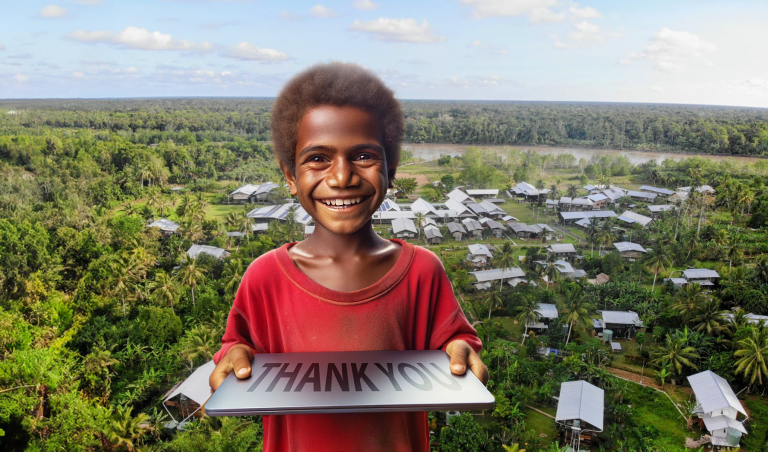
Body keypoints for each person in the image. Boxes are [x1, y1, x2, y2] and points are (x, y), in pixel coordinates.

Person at [209, 62, 488, 452]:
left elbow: (455, 339)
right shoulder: (265, 278)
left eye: (363, 156)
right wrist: (234, 356)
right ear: (290, 175)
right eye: (318, 158)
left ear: (391, 171)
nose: (342, 177)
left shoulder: (422, 272)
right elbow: (237, 346)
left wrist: (460, 351)